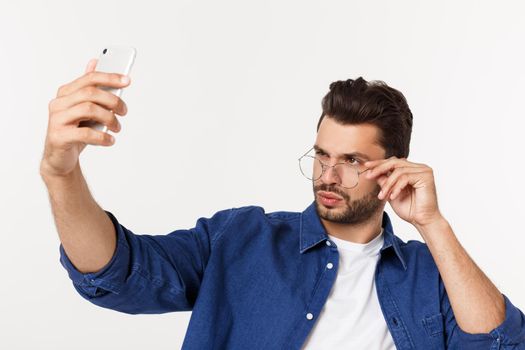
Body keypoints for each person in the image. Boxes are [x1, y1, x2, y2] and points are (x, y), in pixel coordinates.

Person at [40, 60, 525, 350]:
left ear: (392, 168)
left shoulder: (430, 274)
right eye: (321, 155)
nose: (328, 175)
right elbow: (117, 273)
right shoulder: (240, 239)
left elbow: (503, 344)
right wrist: (62, 175)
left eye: (352, 160)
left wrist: (433, 224)